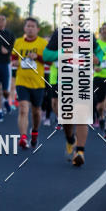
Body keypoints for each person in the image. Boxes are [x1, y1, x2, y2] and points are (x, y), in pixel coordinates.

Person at [43, 21, 99, 167]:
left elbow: (99, 53)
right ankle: (70, 139)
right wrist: (63, 53)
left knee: (81, 115)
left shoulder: (88, 35)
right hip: (63, 80)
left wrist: (96, 59)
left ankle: (80, 152)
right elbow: (46, 55)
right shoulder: (59, 34)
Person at [12, 18, 47, 149]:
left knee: (36, 112)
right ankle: (23, 138)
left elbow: (49, 61)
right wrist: (14, 62)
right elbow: (13, 57)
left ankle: (35, 132)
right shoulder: (18, 42)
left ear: (37, 29)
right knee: (23, 109)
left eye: (33, 26)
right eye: (28, 26)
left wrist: (37, 57)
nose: (30, 28)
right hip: (22, 81)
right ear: (24, 28)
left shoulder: (43, 43)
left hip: (38, 83)